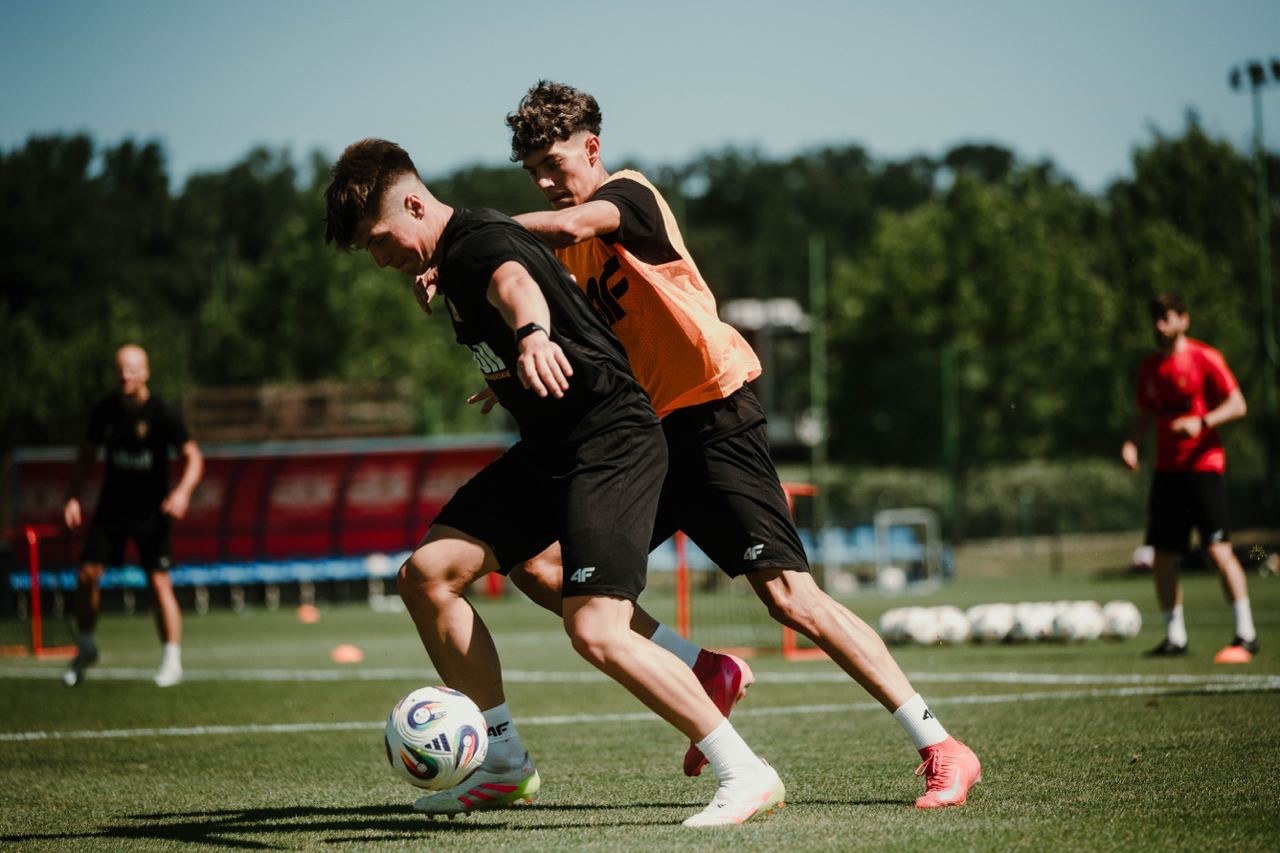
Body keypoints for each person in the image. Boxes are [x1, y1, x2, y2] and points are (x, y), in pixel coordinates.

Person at [414, 80, 981, 812]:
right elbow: (574, 335)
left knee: (789, 598)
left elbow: (565, 226)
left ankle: (940, 744)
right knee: (541, 564)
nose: (547, 182)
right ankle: (703, 668)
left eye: (555, 164)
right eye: (533, 173)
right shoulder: (566, 261)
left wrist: (466, 243)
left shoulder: (628, 197)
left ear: (592, 147)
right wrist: (517, 372)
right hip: (638, 437)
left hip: (713, 419)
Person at [324, 138, 784, 828]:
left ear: (415, 204)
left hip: (611, 442)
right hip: (551, 448)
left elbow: (516, 282)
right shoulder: (457, 254)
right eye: (369, 250)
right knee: (427, 576)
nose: (380, 258)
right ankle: (503, 762)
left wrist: (532, 334)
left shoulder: (476, 245)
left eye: (380, 240)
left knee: (594, 627)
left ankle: (744, 771)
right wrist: (512, 367)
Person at [1122, 292, 1256, 662]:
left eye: (1166, 317)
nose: (1159, 325)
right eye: (1155, 318)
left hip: (1203, 467)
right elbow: (1145, 414)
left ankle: (1246, 634)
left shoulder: (1205, 358)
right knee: (1163, 555)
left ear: (1184, 319)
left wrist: (1203, 422)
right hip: (1167, 472)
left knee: (1217, 550)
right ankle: (1174, 637)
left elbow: (1238, 404)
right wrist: (1132, 444)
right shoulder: (1150, 367)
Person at [62, 344, 203, 687]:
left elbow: (194, 458)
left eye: (132, 368)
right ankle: (86, 645)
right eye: (121, 369)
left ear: (146, 372)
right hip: (112, 508)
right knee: (87, 575)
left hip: (152, 511)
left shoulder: (162, 413)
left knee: (158, 581)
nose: (126, 375)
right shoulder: (105, 411)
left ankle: (172, 659)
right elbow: (86, 456)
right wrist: (73, 496)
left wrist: (182, 492)